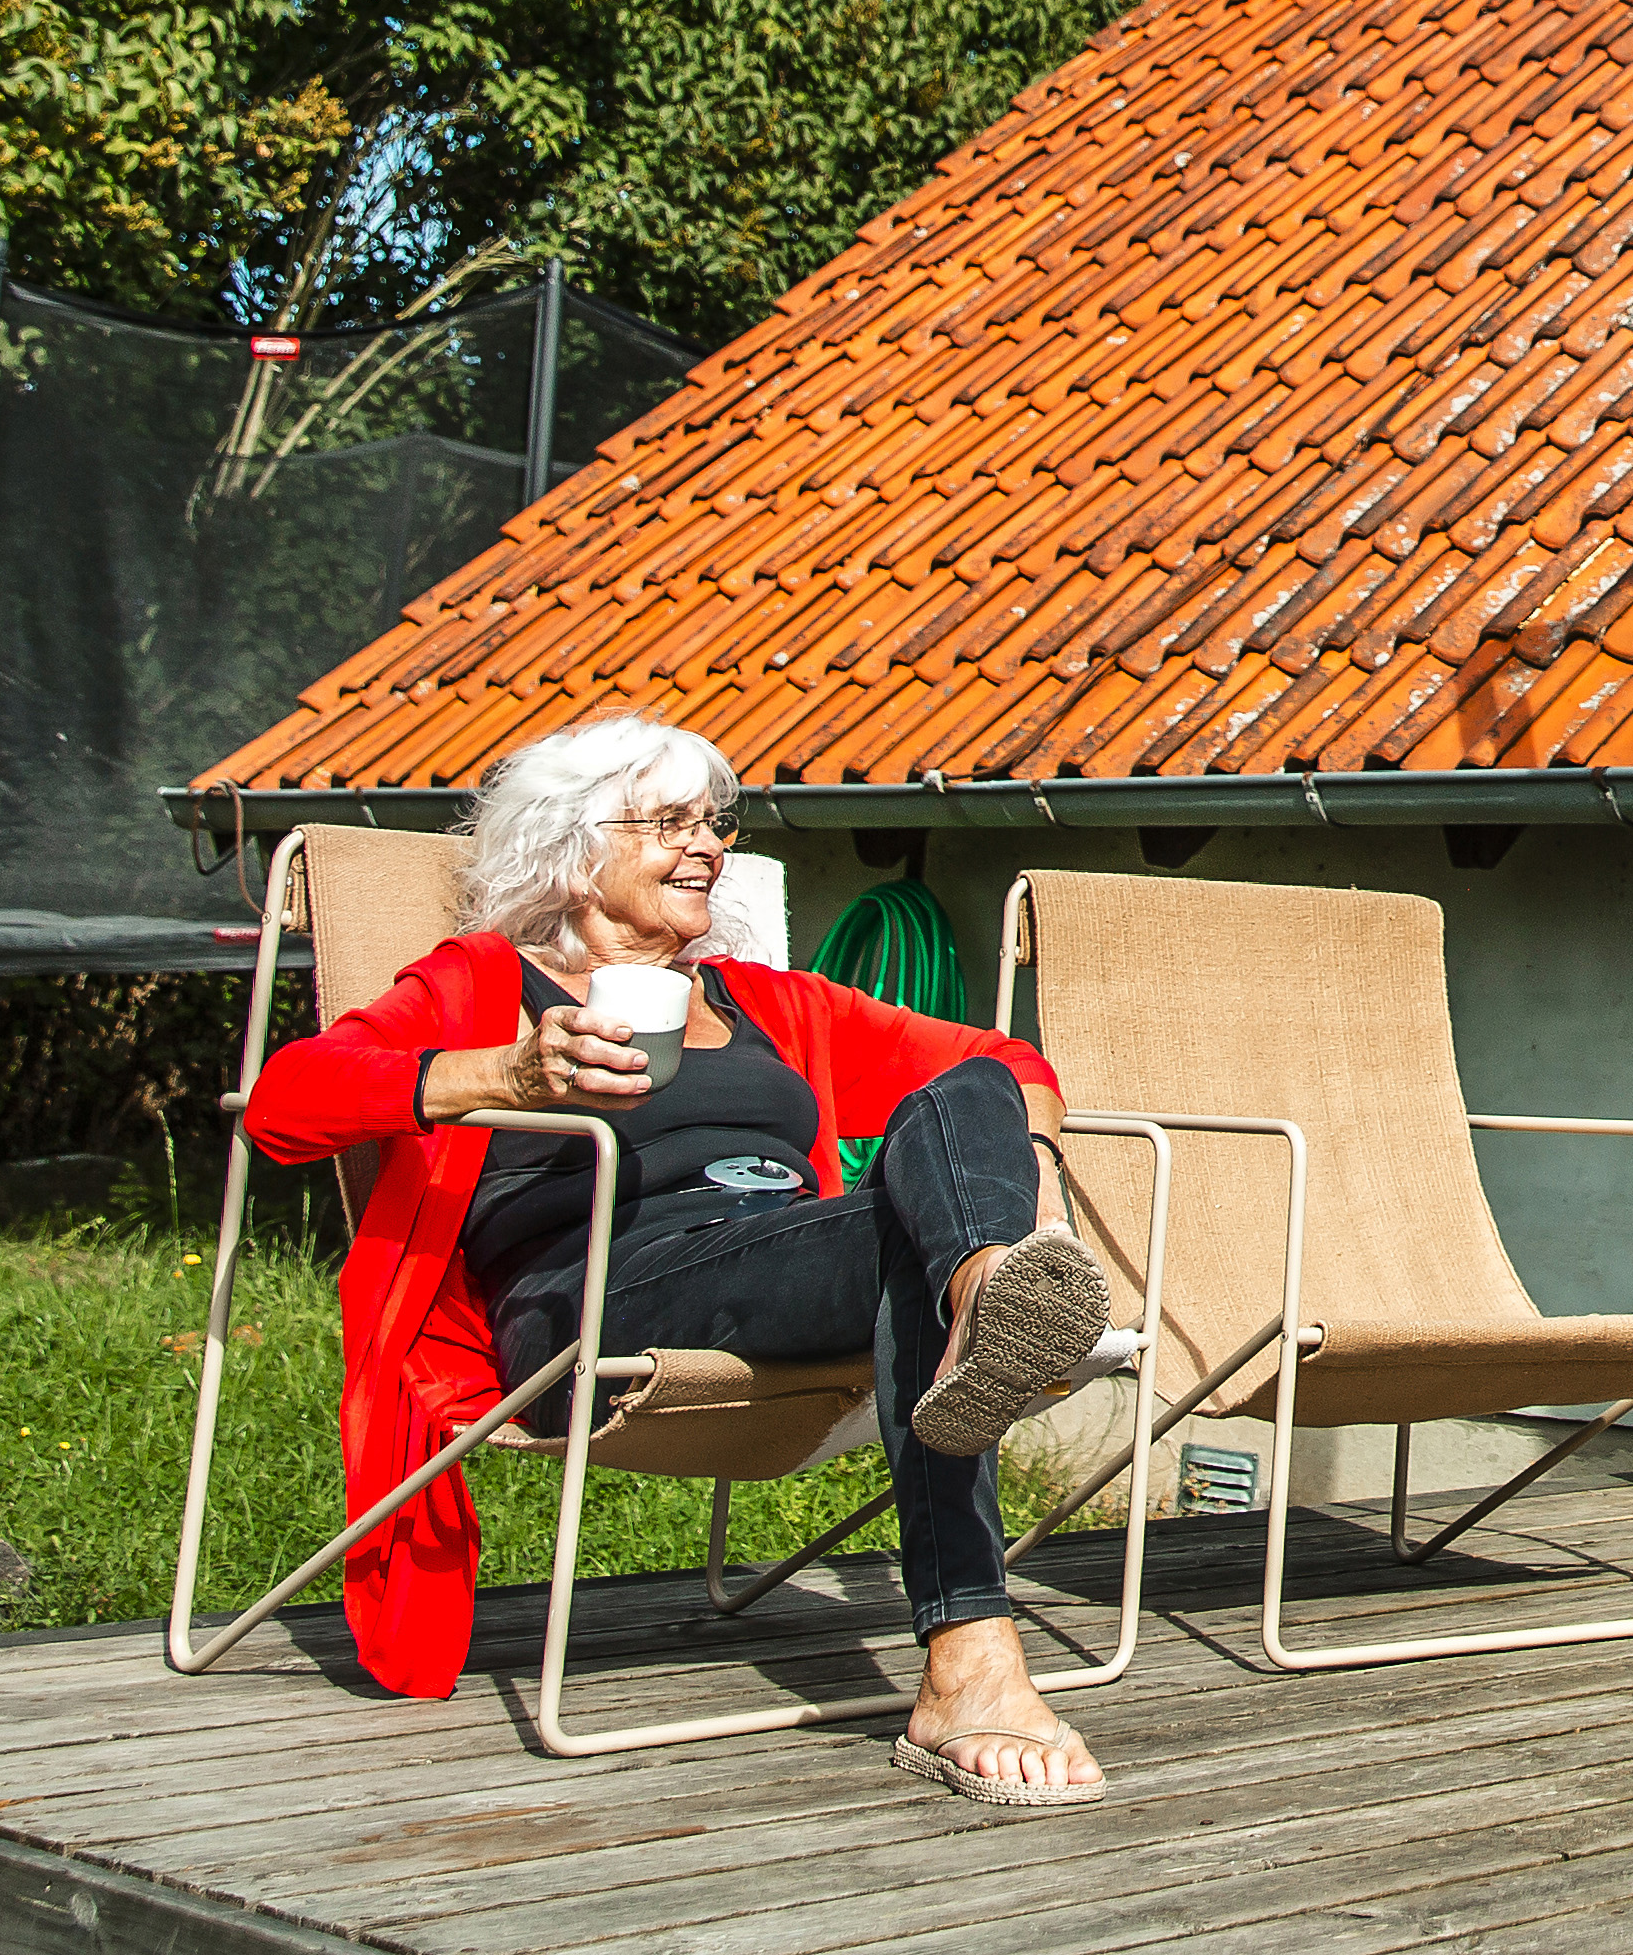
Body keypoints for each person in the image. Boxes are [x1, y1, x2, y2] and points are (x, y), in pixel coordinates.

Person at [242, 714, 1122, 1805]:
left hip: (778, 1262)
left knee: (966, 1096)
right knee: (920, 1248)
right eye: (668, 823)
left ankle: (982, 1292)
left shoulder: (765, 1000)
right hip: (596, 1297)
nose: (707, 844)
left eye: (714, 822)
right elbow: (283, 1106)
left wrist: (1019, 1165)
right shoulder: (480, 983)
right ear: (568, 851)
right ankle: (971, 1648)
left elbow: (1005, 1062)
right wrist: (501, 1078)